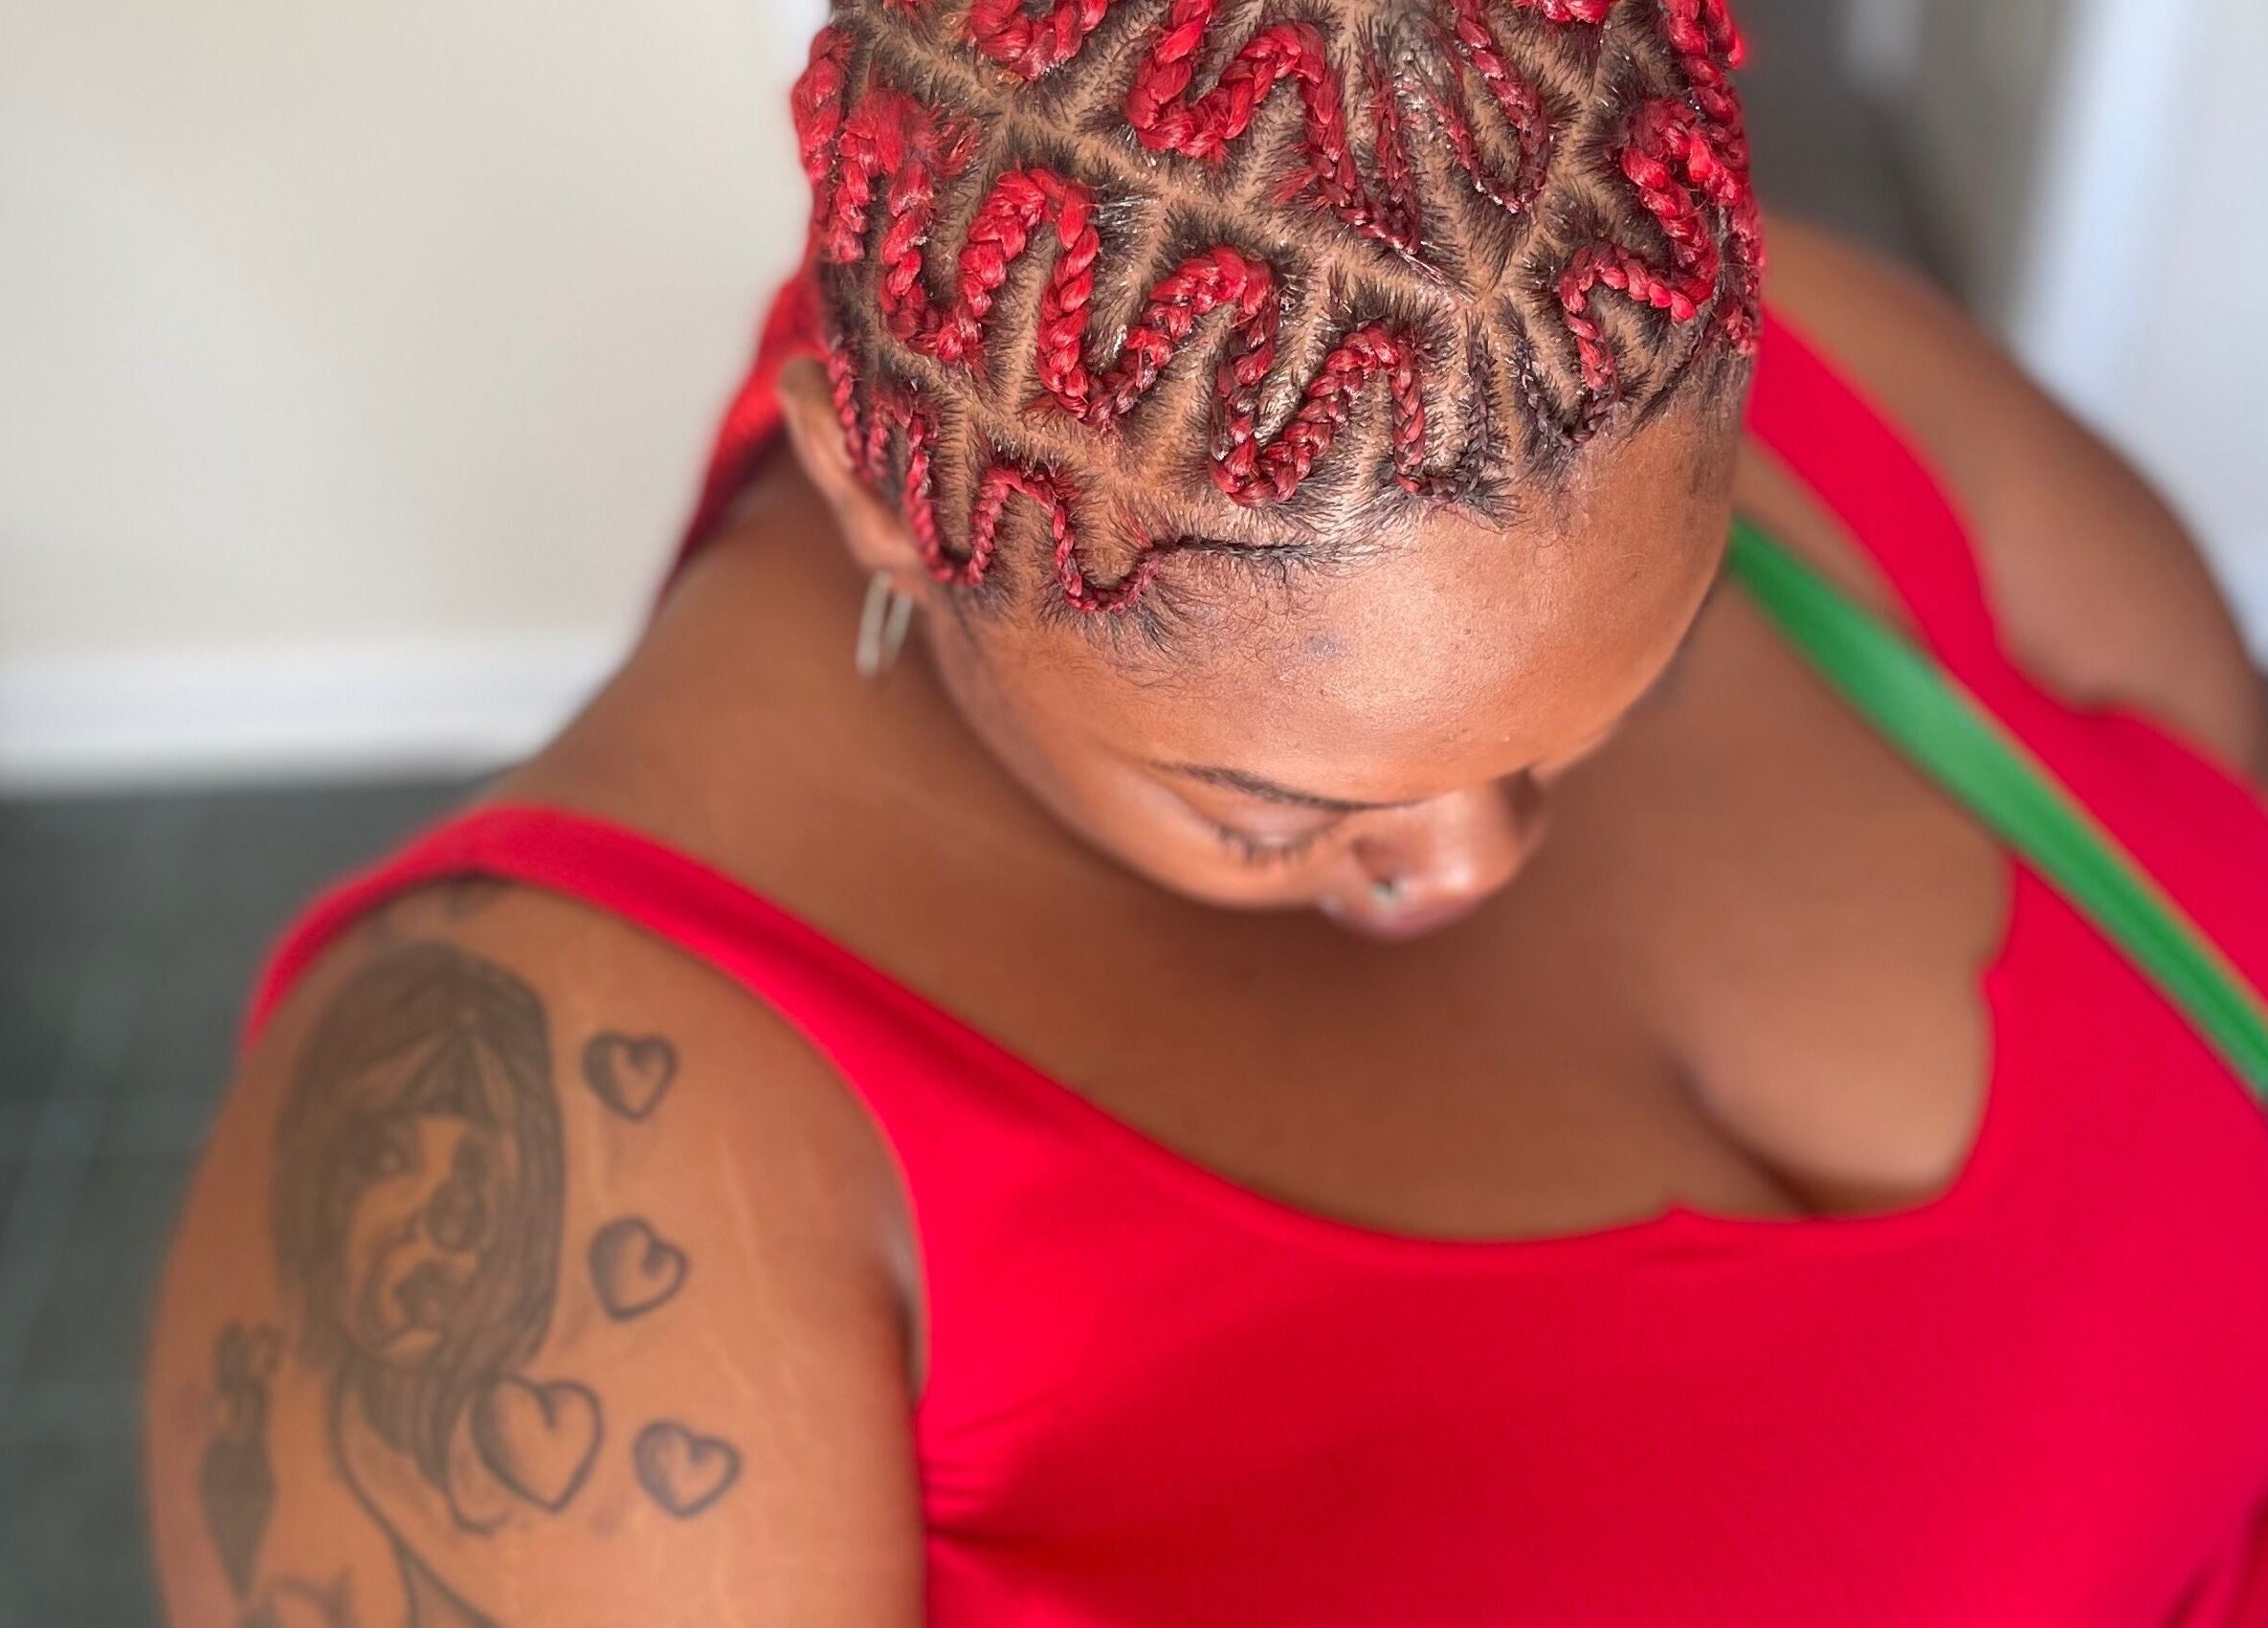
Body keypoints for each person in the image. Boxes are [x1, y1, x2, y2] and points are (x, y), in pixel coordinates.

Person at [145, 1, 2268, 1622]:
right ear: (881, 494)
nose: (1474, 857)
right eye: (1267, 801)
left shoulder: (1740, 371)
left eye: (1634, 676)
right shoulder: (553, 1185)